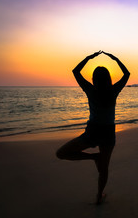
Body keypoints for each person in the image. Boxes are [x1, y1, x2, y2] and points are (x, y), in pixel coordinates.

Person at [56, 50, 130, 205]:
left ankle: (94, 160)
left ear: (93, 79)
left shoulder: (91, 90)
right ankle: (99, 194)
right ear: (109, 78)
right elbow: (127, 73)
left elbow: (75, 71)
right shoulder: (113, 90)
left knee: (61, 153)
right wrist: (115, 58)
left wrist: (89, 58)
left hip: (93, 132)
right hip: (108, 133)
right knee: (104, 168)